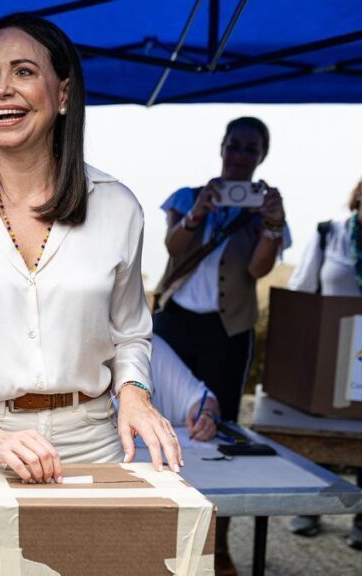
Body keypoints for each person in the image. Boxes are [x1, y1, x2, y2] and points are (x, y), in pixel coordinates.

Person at [0, 14, 179, 575]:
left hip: (90, 446)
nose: (0, 90)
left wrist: (134, 391)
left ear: (62, 94)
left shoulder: (118, 206)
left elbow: (130, 333)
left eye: (23, 72)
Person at [152, 117, 289, 575]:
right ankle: (163, 533)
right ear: (222, 147)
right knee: (166, 421)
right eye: (234, 145)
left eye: (250, 149)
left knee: (220, 427)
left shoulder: (264, 207)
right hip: (176, 323)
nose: (240, 155)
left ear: (261, 156)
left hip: (228, 331)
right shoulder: (189, 197)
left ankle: (219, 543)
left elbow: (257, 271)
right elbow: (173, 248)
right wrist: (199, 213)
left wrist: (271, 225)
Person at [285, 179, 362, 547]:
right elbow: (302, 291)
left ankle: (361, 517)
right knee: (323, 434)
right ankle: (312, 506)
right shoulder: (329, 233)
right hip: (333, 351)